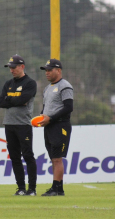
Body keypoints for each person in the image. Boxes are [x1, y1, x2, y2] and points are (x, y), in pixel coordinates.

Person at [0, 55, 38, 196]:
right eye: (10, 68)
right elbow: (1, 103)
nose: (11, 70)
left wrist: (11, 99)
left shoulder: (30, 83)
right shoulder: (8, 84)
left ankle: (32, 189)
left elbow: (24, 99)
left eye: (14, 67)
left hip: (23, 125)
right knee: (14, 157)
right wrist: (15, 99)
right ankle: (21, 188)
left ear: (22, 66)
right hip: (9, 124)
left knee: (28, 156)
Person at [37, 59, 73, 196]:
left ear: (58, 70)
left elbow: (69, 108)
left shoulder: (65, 86)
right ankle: (57, 188)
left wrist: (50, 118)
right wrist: (40, 118)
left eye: (49, 70)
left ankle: (57, 188)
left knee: (57, 158)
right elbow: (46, 108)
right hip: (49, 126)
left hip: (60, 125)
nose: (47, 73)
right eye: (45, 70)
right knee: (53, 158)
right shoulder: (47, 88)